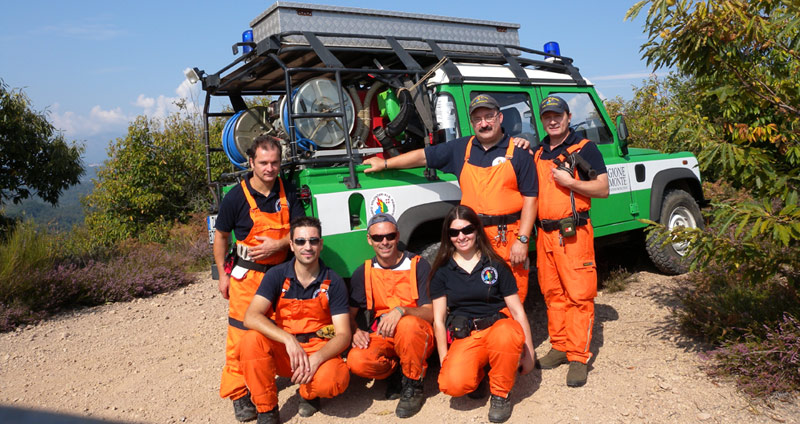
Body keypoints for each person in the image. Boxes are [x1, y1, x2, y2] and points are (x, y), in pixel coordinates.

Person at [363, 94, 537, 302]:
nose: (484, 123)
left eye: (489, 117)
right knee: (477, 295)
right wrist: (385, 164)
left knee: (513, 297)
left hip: (507, 236)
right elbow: (423, 156)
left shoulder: (519, 152)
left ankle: (516, 333)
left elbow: (531, 199)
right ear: (471, 123)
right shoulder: (461, 148)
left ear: (500, 118)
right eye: (478, 119)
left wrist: (523, 240)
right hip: (473, 237)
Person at [213, 135, 305, 422]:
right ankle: (240, 394)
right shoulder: (235, 197)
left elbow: (300, 230)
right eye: (264, 163)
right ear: (251, 162)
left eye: (275, 162)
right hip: (247, 277)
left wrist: (278, 245)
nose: (270, 168)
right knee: (240, 337)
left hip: (281, 277)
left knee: (284, 328)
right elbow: (221, 236)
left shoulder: (287, 191)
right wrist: (222, 274)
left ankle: (282, 374)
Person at [238, 216, 351, 424]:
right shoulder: (276, 275)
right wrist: (288, 339)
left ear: (321, 244)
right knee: (250, 341)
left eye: (313, 241)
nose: (307, 247)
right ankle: (267, 410)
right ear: (291, 245)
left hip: (317, 348)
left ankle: (308, 394)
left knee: (334, 379)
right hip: (286, 351)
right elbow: (251, 316)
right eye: (300, 241)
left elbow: (343, 334)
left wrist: (316, 359)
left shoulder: (333, 281)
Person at [430, 205, 535, 424]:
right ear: (448, 236)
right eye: (454, 232)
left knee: (506, 334)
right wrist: (443, 358)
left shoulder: (496, 265)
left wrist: (530, 353)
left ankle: (500, 394)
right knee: (452, 384)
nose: (461, 236)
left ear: (477, 230)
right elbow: (439, 321)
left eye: (467, 229)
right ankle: (479, 375)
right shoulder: (442, 272)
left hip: (498, 329)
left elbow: (516, 310)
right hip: (467, 335)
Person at [533, 95, 609, 387]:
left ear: (567, 116)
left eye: (557, 115)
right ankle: (560, 346)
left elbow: (602, 188)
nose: (552, 121)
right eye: (547, 117)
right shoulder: (538, 151)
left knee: (579, 296)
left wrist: (571, 183)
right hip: (545, 235)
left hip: (573, 234)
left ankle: (578, 357)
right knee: (553, 294)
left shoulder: (584, 148)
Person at [347, 213, 434, 418]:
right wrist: (355, 330)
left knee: (408, 325)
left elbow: (431, 312)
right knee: (357, 361)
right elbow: (348, 315)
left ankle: (413, 385)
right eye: (378, 237)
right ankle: (396, 371)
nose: (384, 242)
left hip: (416, 333)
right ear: (369, 239)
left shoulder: (418, 265)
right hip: (383, 335)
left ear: (398, 236)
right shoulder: (364, 272)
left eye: (390, 236)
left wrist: (402, 310)